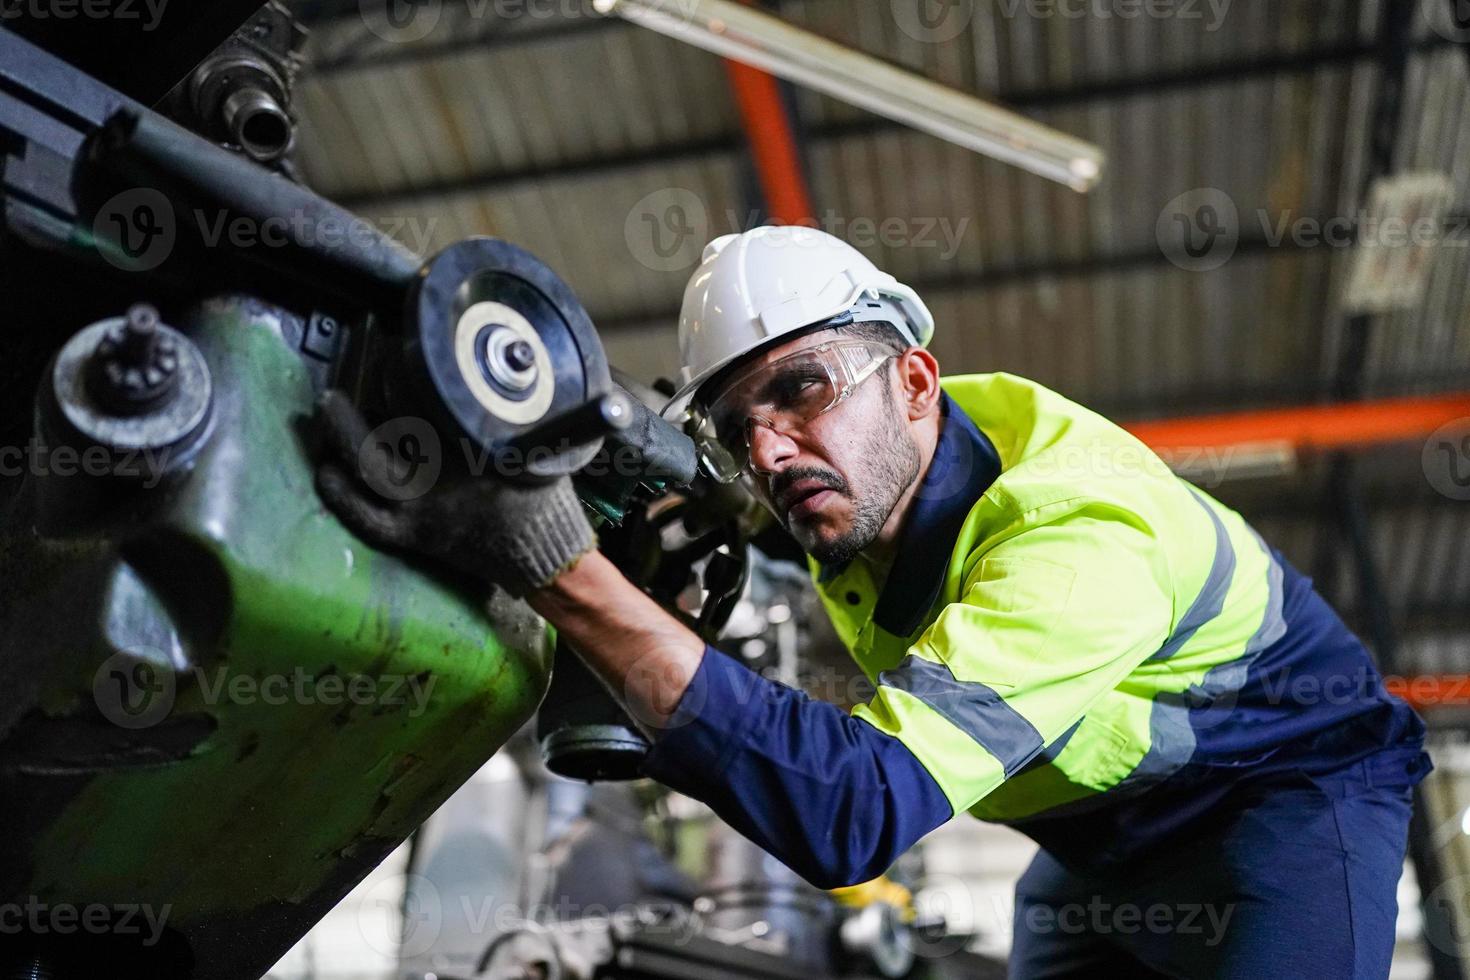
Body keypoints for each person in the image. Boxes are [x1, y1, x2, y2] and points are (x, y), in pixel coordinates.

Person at [316, 226, 1431, 978]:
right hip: (1098, 844)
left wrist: (560, 567)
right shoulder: (840, 482)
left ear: (912, 381)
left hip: (1285, 799)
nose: (771, 448)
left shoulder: (1079, 538)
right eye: (737, 425)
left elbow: (858, 812)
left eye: (800, 388)